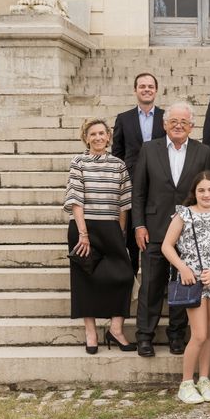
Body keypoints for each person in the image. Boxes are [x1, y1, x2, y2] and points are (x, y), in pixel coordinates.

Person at [132, 102, 210, 358]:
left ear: (191, 126)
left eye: (184, 122)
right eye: (174, 121)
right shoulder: (149, 149)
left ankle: (177, 336)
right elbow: (139, 191)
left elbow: (207, 188)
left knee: (184, 281)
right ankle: (144, 336)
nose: (179, 126)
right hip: (155, 228)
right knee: (151, 285)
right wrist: (139, 225)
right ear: (164, 124)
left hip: (189, 230)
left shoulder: (203, 151)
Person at [63, 118, 135, 354]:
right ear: (86, 137)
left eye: (101, 133)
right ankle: (91, 333)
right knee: (85, 280)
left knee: (124, 275)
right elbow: (76, 199)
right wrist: (83, 234)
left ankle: (115, 329)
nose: (97, 138)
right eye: (92, 134)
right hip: (84, 227)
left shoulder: (118, 165)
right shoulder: (79, 162)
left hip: (111, 227)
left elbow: (124, 203)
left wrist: (122, 233)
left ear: (108, 137)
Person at [161, 171, 210, 404]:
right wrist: (183, 268)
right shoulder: (184, 214)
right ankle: (185, 383)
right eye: (201, 190)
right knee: (199, 334)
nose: (206, 194)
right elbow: (167, 246)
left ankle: (204, 379)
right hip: (192, 281)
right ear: (195, 192)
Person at [112, 72, 166, 276]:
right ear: (135, 90)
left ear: (156, 90)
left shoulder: (165, 118)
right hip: (131, 183)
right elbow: (117, 153)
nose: (146, 89)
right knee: (133, 234)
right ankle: (132, 278)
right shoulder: (123, 119)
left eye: (150, 86)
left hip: (159, 183)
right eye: (142, 86)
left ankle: (160, 282)